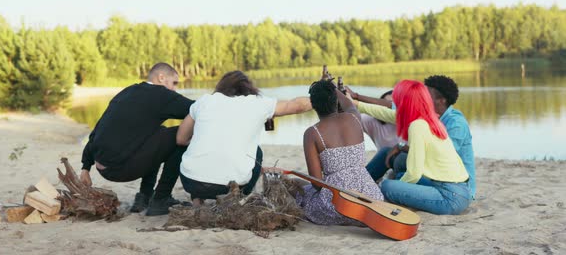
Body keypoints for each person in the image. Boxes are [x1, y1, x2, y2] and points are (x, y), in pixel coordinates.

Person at [176, 70, 312, 206]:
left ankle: (197, 200)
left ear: (221, 86)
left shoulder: (204, 101)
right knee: (256, 152)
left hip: (191, 182)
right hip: (231, 186)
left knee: (194, 153)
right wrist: (322, 97)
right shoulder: (258, 103)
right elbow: (297, 106)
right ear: (249, 88)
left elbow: (181, 139)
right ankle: (238, 197)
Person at [80, 63, 194, 216]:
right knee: (180, 134)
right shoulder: (161, 94)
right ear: (161, 78)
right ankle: (161, 199)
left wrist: (85, 167)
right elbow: (199, 109)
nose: (175, 89)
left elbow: (100, 128)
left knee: (156, 133)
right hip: (122, 168)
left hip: (103, 167)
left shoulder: (128, 91)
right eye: (174, 83)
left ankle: (144, 197)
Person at [352, 80, 470, 215]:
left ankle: (359, 186)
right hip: (457, 190)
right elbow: (384, 113)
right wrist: (355, 103)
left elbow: (414, 174)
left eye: (397, 101)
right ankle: (361, 184)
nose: (394, 105)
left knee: (387, 186)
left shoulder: (417, 126)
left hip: (448, 197)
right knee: (398, 169)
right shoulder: (427, 117)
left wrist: (398, 188)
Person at [289, 80, 384, 225]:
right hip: (371, 200)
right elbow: (348, 104)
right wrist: (334, 88)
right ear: (336, 100)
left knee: (295, 186)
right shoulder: (354, 117)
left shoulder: (312, 133)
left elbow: (317, 183)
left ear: (313, 105)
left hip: (336, 206)